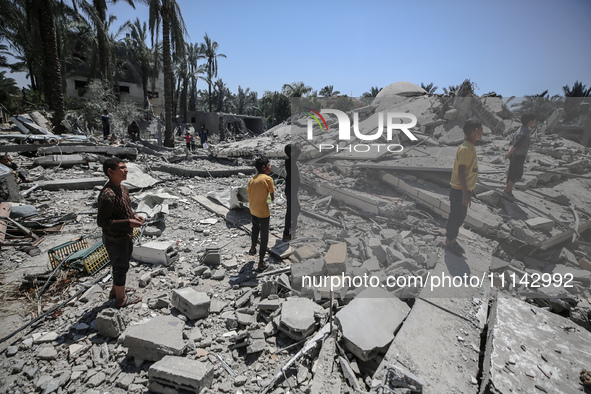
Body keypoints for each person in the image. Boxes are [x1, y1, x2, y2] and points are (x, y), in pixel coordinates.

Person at [97, 158, 144, 308]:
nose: (126, 170)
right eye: (122, 168)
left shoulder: (123, 189)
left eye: (126, 167)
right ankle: (121, 299)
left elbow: (126, 207)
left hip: (125, 236)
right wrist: (129, 223)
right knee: (120, 267)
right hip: (115, 239)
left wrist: (134, 215)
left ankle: (116, 291)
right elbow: (103, 222)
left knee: (121, 265)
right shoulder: (107, 195)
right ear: (110, 172)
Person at [444, 119, 483, 255]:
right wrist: (466, 193)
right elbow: (461, 171)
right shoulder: (466, 149)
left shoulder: (470, 147)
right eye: (481, 130)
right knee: (456, 216)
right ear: (475, 132)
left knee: (460, 216)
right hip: (459, 190)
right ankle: (449, 242)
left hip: (464, 190)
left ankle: (452, 239)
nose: (482, 133)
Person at [247, 157, 275, 271]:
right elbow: (272, 197)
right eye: (269, 165)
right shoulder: (268, 179)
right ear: (264, 167)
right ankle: (261, 262)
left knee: (255, 228)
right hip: (263, 212)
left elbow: (250, 192)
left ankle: (253, 248)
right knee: (264, 236)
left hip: (253, 209)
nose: (270, 167)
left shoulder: (252, 179)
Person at [503, 113, 536, 197]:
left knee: (511, 173)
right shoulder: (524, 132)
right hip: (518, 156)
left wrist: (510, 153)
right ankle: (506, 192)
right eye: (533, 120)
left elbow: (511, 143)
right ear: (530, 121)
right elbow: (516, 144)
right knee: (517, 175)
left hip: (514, 155)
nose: (534, 121)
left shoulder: (520, 130)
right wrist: (509, 154)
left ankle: (509, 191)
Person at [282, 143, 301, 241]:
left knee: (296, 208)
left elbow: (297, 152)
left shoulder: (290, 160)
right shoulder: (289, 161)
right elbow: (298, 153)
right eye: (293, 151)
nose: (295, 152)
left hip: (292, 190)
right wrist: (297, 146)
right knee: (291, 211)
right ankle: (287, 233)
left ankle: (292, 228)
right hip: (291, 190)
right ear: (290, 153)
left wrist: (297, 146)